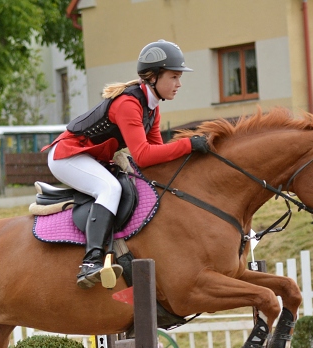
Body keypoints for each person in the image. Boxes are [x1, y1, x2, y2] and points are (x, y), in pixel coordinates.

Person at [44, 39, 209, 289]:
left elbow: (156, 155)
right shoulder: (129, 104)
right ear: (153, 77)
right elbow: (143, 155)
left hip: (91, 157)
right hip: (67, 156)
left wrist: (191, 155)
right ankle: (91, 261)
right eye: (174, 77)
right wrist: (188, 144)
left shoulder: (151, 109)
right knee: (110, 188)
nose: (179, 84)